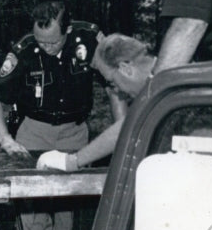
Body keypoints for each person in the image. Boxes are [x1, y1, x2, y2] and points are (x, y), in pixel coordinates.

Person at [0, 0, 125, 230]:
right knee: (32, 206)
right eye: (40, 41)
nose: (45, 47)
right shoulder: (24, 50)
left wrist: (122, 131)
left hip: (75, 133)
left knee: (68, 209)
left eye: (52, 42)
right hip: (33, 132)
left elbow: (114, 87)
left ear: (68, 30)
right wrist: (6, 140)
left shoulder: (89, 40)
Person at [37, 34, 155, 171]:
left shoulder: (163, 87)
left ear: (125, 69)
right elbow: (129, 125)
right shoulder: (155, 85)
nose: (117, 90)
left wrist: (71, 162)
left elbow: (128, 127)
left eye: (112, 82)